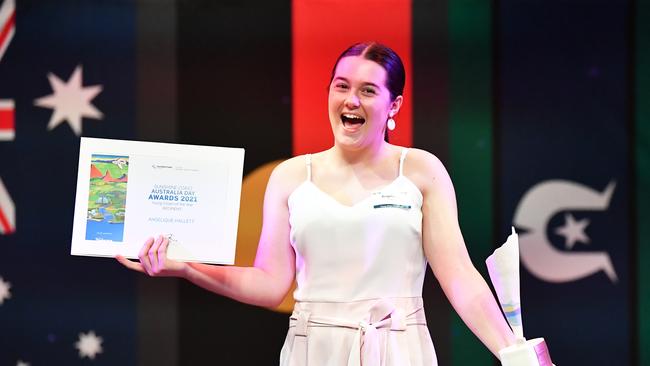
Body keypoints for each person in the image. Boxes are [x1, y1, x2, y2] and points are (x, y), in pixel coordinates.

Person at [118, 42, 516, 365]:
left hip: (399, 349)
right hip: (312, 350)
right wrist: (186, 267)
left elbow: (461, 280)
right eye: (341, 86)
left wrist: (514, 355)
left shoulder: (421, 171)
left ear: (393, 105)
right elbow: (271, 284)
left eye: (368, 90)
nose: (351, 100)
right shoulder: (290, 178)